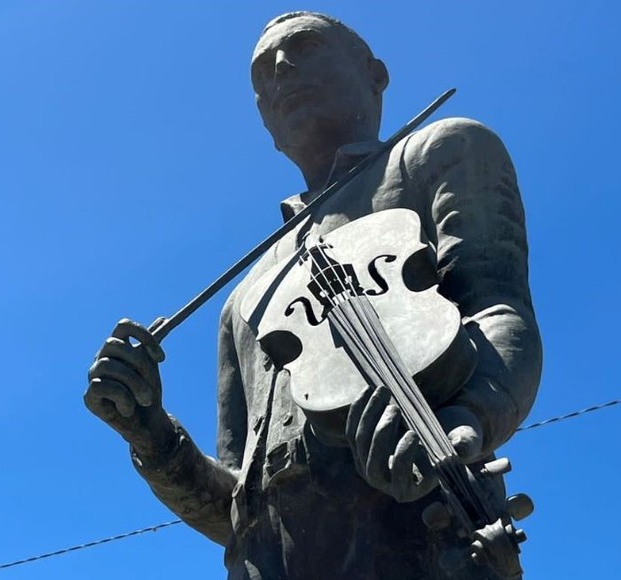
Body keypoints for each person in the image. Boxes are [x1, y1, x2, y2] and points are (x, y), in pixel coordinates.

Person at [85, 11, 541, 579]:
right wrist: (150, 433)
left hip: (424, 535)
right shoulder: (246, 295)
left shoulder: (437, 154)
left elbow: (498, 309)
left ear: (375, 73)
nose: (279, 69)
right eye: (260, 76)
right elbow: (237, 510)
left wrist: (466, 417)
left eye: (302, 47)